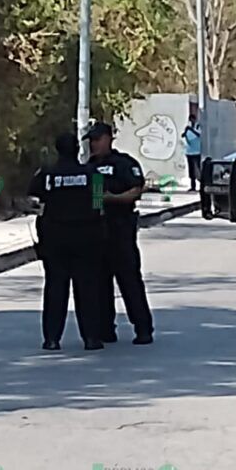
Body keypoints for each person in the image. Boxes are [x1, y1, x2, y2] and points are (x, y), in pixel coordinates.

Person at [28, 133, 106, 352]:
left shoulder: (46, 175)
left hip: (55, 238)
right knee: (87, 288)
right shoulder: (93, 174)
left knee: (55, 287)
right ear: (77, 150)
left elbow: (33, 197)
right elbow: (100, 203)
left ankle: (52, 339)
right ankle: (91, 338)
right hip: (86, 237)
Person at [86, 122, 154, 345]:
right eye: (91, 141)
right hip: (97, 230)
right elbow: (92, 197)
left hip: (121, 229)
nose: (94, 144)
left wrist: (111, 199)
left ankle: (143, 328)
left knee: (130, 281)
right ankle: (106, 328)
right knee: (99, 283)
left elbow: (136, 191)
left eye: (97, 139)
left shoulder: (124, 164)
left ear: (108, 138)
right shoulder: (89, 167)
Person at [182, 116, 202, 192]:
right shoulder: (188, 127)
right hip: (189, 151)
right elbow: (183, 136)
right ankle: (192, 186)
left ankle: (201, 185)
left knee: (198, 169)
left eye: (192, 119)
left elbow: (199, 135)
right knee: (191, 170)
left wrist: (191, 130)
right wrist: (186, 131)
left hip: (197, 151)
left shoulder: (198, 126)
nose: (191, 121)